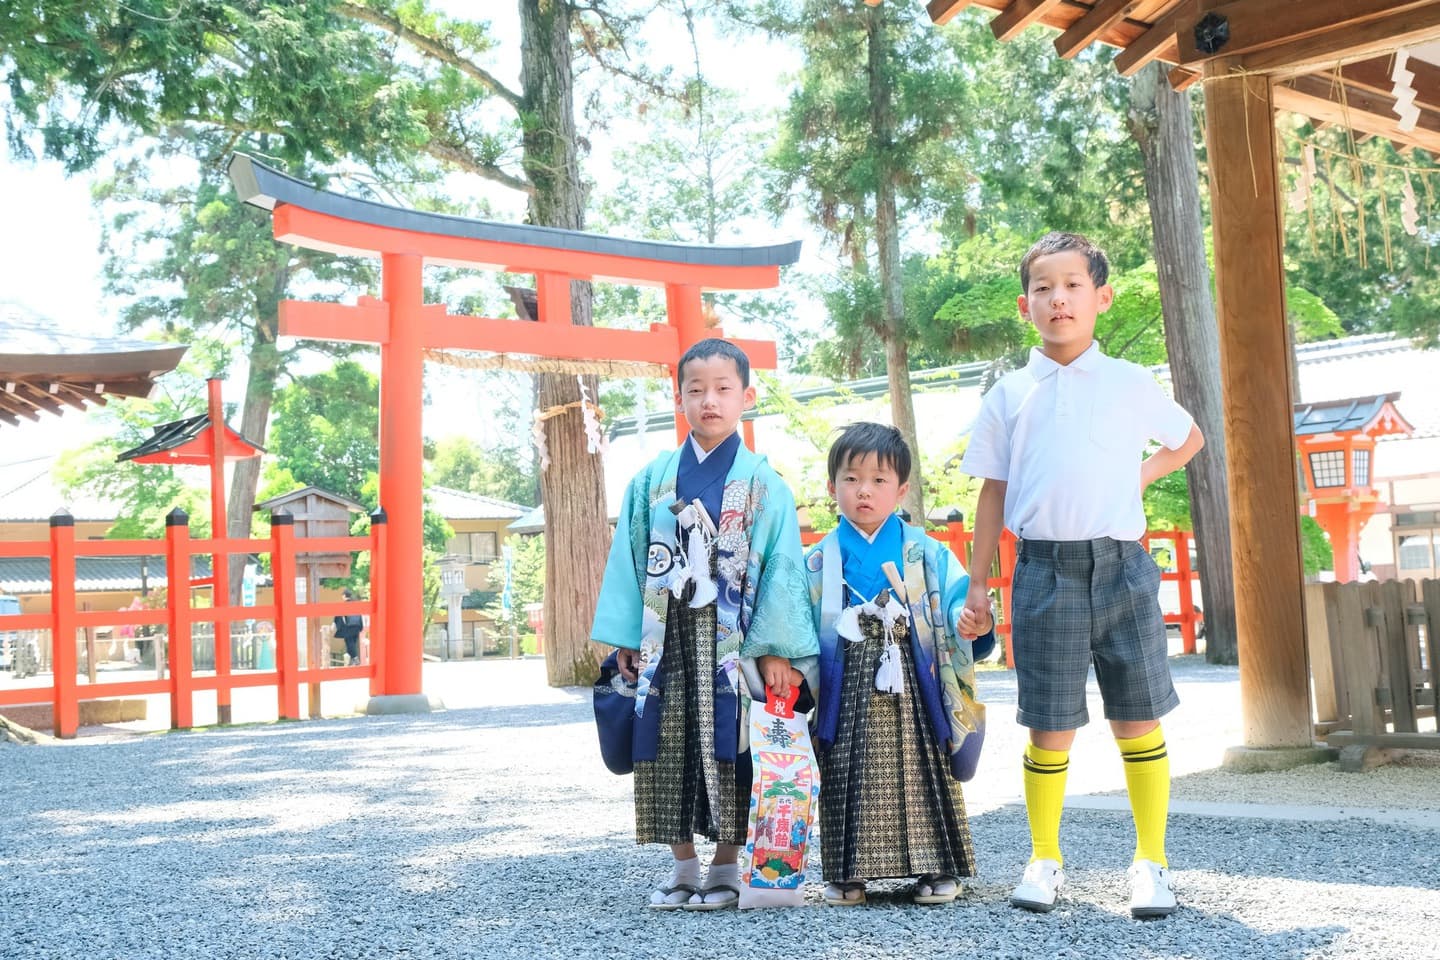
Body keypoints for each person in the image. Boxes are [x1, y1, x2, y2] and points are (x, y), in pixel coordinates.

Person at [961, 232, 1204, 919]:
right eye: (1043, 288)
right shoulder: (1009, 394)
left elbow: (1188, 439)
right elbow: (991, 492)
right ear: (1025, 305)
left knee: (1138, 717)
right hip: (1043, 570)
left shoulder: (1128, 381)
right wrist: (977, 583)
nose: (1058, 298)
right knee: (1049, 725)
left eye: (1073, 285)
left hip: (1123, 568)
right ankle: (1044, 857)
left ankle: (1151, 862)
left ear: (1102, 297)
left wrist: (1137, 477)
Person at [592, 338, 818, 912]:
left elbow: (783, 568)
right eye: (696, 390)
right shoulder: (652, 480)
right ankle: (682, 866)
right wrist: (628, 637)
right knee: (666, 743)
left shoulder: (765, 484)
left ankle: (725, 866)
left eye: (722, 389)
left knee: (731, 745)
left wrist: (776, 649)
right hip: (664, 632)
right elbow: (629, 557)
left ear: (747, 397)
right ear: (679, 398)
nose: (709, 401)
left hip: (736, 640)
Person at [806, 422, 995, 907]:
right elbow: (795, 622)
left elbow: (955, 601)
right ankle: (847, 872)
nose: (863, 491)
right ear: (832, 487)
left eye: (879, 480)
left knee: (923, 768)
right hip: (844, 677)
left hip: (913, 674)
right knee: (844, 768)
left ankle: (936, 866)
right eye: (851, 479)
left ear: (902, 489)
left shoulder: (926, 550)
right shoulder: (816, 559)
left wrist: (969, 619)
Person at [333, 589, 364, 666]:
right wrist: (360, 626)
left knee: (349, 643)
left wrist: (334, 623)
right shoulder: (355, 604)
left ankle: (355, 659)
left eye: (342, 595)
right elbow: (360, 615)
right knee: (352, 643)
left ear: (344, 596)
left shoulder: (344, 604)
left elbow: (338, 615)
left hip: (349, 627)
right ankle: (353, 660)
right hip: (357, 626)